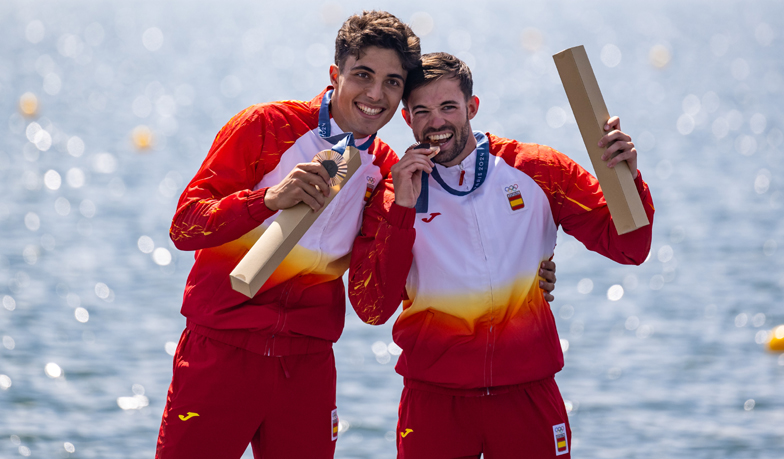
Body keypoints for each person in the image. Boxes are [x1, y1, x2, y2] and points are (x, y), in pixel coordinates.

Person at [348, 52, 655, 458]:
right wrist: (402, 211)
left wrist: (627, 177)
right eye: (422, 111)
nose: (436, 122)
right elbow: (372, 308)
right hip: (436, 403)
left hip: (526, 395)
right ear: (407, 119)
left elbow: (630, 248)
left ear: (472, 107)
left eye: (448, 107)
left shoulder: (537, 170)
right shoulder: (392, 194)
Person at [154, 11, 421, 459]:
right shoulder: (265, 126)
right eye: (363, 75)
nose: (376, 95)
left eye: (393, 82)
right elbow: (184, 225)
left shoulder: (386, 170)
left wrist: (404, 214)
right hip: (221, 352)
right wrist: (266, 201)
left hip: (307, 366)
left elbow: (373, 307)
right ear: (335, 74)